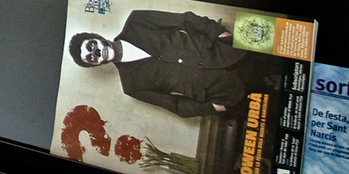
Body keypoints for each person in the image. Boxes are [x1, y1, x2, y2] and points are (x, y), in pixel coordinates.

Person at [67, 9, 272, 118]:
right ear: (96, 65)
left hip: (227, 51)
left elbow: (186, 20)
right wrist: (212, 108)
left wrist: (219, 33)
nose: (97, 52)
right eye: (91, 58)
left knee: (284, 64)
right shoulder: (131, 86)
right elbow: (176, 106)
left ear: (97, 36)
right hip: (223, 91)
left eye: (92, 45)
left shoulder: (137, 21)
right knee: (275, 108)